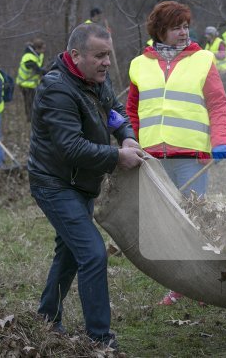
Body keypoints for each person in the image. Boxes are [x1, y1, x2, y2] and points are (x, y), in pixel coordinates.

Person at [28, 23, 145, 350]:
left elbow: (114, 113)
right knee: (93, 253)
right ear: (76, 55)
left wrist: (128, 136)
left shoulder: (95, 81)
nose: (107, 62)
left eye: (108, 55)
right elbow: (71, 147)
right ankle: (100, 340)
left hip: (81, 183)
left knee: (68, 254)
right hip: (54, 184)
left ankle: (47, 319)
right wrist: (117, 157)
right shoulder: (57, 90)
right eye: (100, 55)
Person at [126, 1, 226, 306]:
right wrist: (131, 140)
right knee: (167, 224)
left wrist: (219, 140)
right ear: (160, 31)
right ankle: (177, 286)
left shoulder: (203, 60)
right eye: (176, 27)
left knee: (195, 221)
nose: (183, 32)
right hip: (152, 159)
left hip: (191, 158)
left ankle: (204, 286)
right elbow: (132, 109)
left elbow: (218, 103)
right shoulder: (139, 64)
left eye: (186, 26)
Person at [16, 38, 47, 122]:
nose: (44, 51)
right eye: (42, 49)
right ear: (37, 48)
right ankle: (30, 120)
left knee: (35, 102)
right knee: (29, 103)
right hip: (25, 84)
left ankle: (34, 118)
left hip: (33, 84)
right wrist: (46, 72)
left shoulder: (39, 54)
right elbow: (37, 70)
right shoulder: (28, 57)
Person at [203, 26, 226, 101]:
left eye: (208, 35)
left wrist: (211, 54)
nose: (206, 37)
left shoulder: (220, 42)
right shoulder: (208, 44)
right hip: (216, 70)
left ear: (212, 35)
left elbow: (222, 55)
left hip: (225, 69)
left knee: (223, 87)